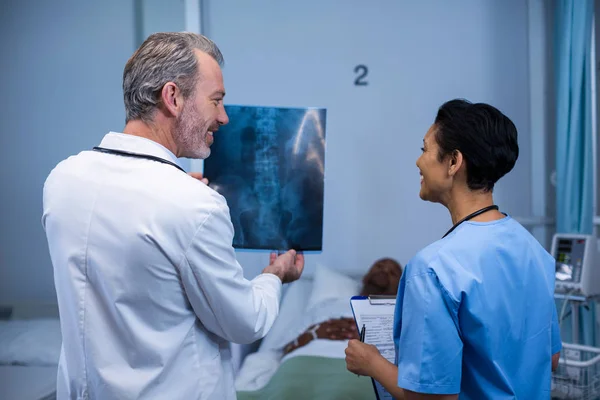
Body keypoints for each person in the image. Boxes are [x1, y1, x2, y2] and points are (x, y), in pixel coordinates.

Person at [41, 32, 304, 400]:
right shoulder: (191, 205)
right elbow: (246, 322)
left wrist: (181, 193)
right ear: (173, 97)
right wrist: (274, 276)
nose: (224, 118)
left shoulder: (62, 180)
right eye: (216, 101)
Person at [345, 99, 561, 399]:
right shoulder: (535, 252)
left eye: (424, 150)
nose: (418, 161)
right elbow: (550, 358)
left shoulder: (433, 269)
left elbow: (431, 397)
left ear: (453, 162)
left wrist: (372, 363)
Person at [283, 258, 402, 355]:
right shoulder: (326, 306)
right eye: (379, 266)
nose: (384, 271)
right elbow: (286, 350)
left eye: (392, 273)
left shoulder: (398, 318)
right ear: (366, 276)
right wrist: (314, 333)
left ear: (400, 288)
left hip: (366, 370)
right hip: (307, 361)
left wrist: (369, 338)